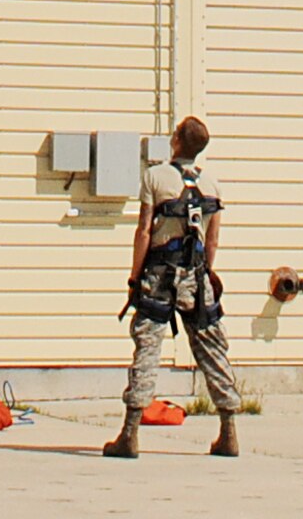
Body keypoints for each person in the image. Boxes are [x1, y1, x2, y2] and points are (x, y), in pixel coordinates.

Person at [104, 115, 242, 461]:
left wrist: (134, 278)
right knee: (212, 348)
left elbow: (144, 231)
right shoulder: (212, 184)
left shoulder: (155, 177)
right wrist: (207, 274)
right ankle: (229, 431)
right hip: (197, 278)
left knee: (147, 348)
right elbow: (212, 240)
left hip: (159, 276)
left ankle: (130, 434)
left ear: (177, 141)